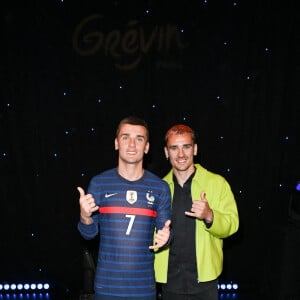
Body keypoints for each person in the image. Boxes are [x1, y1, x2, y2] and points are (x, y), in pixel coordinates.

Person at [77, 116, 172, 300]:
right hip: (107, 288)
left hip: (144, 288)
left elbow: (165, 231)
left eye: (139, 138)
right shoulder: (99, 183)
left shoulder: (160, 187)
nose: (131, 144)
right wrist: (85, 216)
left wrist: (166, 238)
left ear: (146, 147)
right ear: (116, 143)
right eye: (125, 137)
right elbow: (88, 234)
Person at [154, 124, 239, 300]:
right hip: (170, 281)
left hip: (205, 281)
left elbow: (233, 225)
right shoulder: (158, 188)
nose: (181, 154)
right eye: (174, 148)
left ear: (195, 149)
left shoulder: (217, 183)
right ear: (166, 152)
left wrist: (210, 216)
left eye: (186, 146)